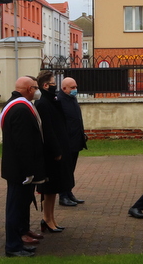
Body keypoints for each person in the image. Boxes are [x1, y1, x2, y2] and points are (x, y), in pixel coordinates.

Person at [0, 76, 47, 258]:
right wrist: (28, 171)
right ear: (28, 89)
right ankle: (13, 246)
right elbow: (23, 144)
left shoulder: (16, 104)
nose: (37, 90)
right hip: (19, 170)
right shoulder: (20, 108)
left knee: (20, 206)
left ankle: (19, 239)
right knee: (15, 208)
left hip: (18, 168)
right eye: (35, 87)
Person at [34, 70, 72, 232]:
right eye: (53, 83)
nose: (55, 86)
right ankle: (46, 219)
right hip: (51, 154)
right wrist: (56, 151)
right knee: (48, 189)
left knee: (54, 188)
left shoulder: (52, 101)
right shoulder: (43, 103)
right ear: (45, 85)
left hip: (59, 149)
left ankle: (51, 219)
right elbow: (48, 131)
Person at [57, 77, 87, 207]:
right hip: (66, 142)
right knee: (65, 169)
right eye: (72, 87)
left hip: (76, 140)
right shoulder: (59, 101)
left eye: (75, 87)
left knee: (71, 169)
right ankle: (63, 195)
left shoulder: (72, 99)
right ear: (64, 89)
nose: (75, 90)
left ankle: (69, 193)